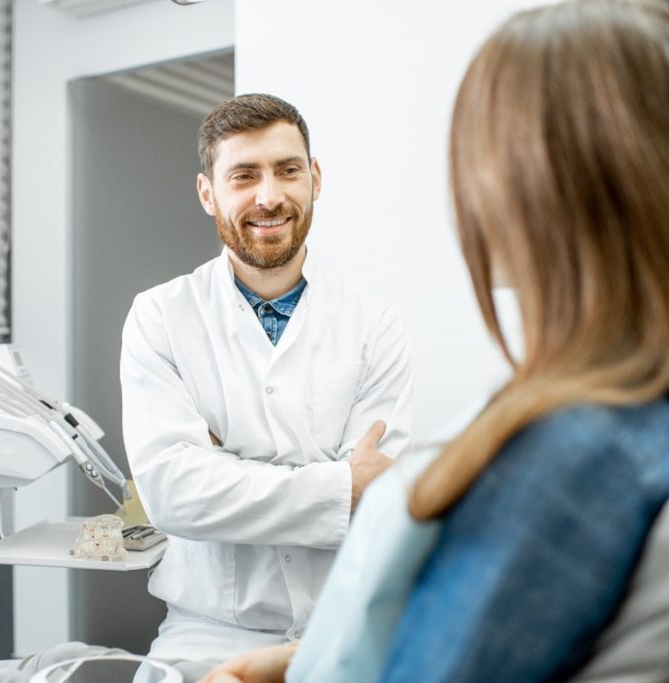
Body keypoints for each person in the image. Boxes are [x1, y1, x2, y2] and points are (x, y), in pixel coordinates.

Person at [201, 0, 669, 681]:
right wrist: (301, 660)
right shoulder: (653, 426)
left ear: (524, 189)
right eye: (243, 176)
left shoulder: (570, 458)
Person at [119, 93, 416, 678]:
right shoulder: (160, 317)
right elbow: (174, 494)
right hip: (206, 636)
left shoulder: (374, 326)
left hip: (346, 624)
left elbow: (378, 498)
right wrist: (337, 482)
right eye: (244, 175)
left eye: (288, 170)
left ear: (315, 179)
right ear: (208, 193)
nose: (269, 196)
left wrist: (227, 469)